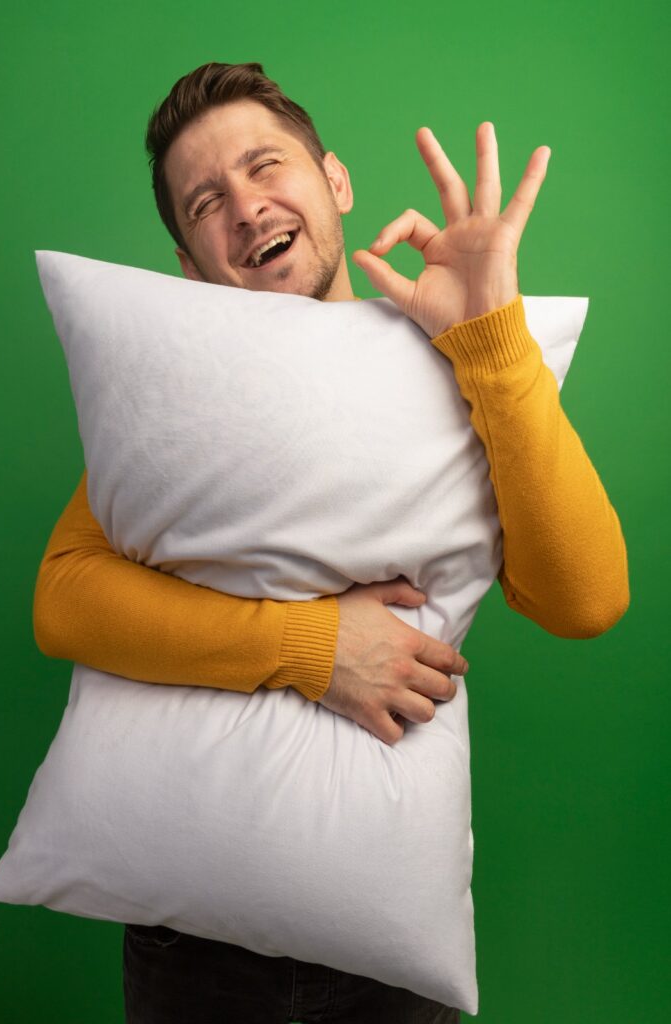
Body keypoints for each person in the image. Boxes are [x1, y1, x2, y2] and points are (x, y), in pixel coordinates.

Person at [32, 62, 629, 1024]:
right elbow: (64, 598)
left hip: (391, 943)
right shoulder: (172, 411)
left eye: (267, 166)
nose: (247, 207)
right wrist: (314, 648)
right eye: (206, 201)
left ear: (335, 182)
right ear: (190, 264)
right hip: (191, 944)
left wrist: (491, 339)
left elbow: (585, 599)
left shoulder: (460, 361)